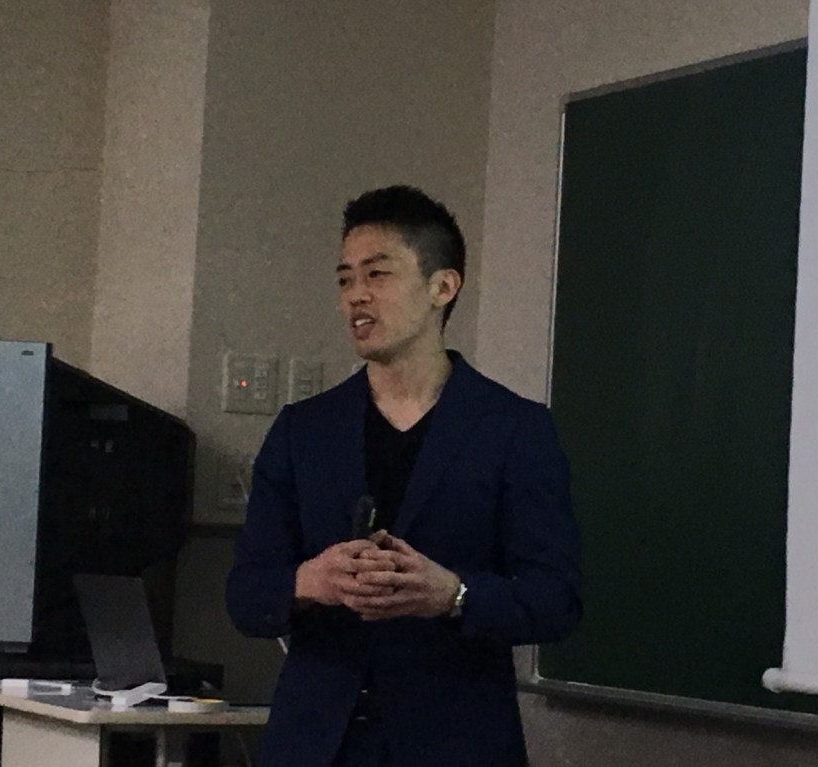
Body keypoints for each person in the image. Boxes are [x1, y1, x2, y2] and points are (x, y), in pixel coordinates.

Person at [226, 185, 582, 766]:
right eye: (345, 279)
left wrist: (454, 595)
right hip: (316, 745)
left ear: (443, 287)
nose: (356, 296)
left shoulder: (513, 429)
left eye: (378, 274)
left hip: (455, 742)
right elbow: (245, 595)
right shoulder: (303, 431)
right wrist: (309, 581)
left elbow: (556, 600)